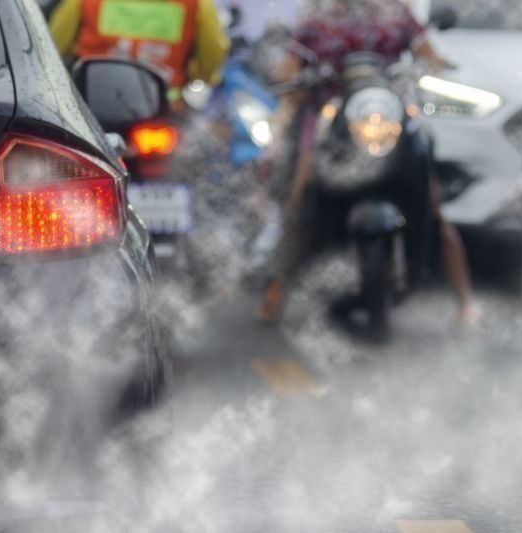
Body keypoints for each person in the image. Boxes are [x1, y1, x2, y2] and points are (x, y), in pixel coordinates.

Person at [258, 0, 479, 325]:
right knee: (298, 198)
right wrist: (294, 81)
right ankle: (278, 289)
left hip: (390, 116)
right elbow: (288, 68)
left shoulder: (396, 14)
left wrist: (436, 65)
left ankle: (466, 302)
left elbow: (427, 53)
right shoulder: (319, 20)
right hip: (331, 120)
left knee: (432, 202)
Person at [48, 0, 230, 100]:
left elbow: (53, 44)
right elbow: (213, 51)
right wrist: (204, 75)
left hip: (91, 99)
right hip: (161, 103)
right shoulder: (197, 4)